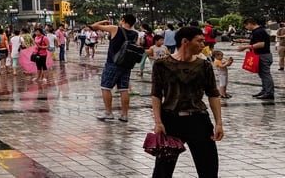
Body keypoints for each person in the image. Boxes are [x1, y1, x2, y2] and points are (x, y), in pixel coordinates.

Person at [150, 26, 223, 178]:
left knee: (208, 169)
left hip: (198, 120)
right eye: (199, 41)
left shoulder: (204, 66)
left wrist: (219, 123)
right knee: (163, 170)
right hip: (171, 121)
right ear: (185, 41)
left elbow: (213, 95)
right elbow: (156, 95)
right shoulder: (162, 65)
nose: (203, 45)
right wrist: (158, 122)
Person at [92, 13, 138, 122]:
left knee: (105, 87)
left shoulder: (115, 29)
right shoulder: (135, 34)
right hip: (126, 64)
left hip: (113, 63)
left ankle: (108, 113)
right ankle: (124, 115)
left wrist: (103, 21)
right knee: (124, 89)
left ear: (123, 20)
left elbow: (94, 26)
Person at [238, 17, 274, 100]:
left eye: (246, 26)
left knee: (265, 75)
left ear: (250, 24)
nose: (246, 28)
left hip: (263, 55)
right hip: (262, 55)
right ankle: (265, 90)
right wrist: (243, 41)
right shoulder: (258, 31)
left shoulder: (258, 31)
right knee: (262, 74)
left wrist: (245, 47)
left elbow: (261, 44)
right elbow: (256, 41)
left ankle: (269, 93)